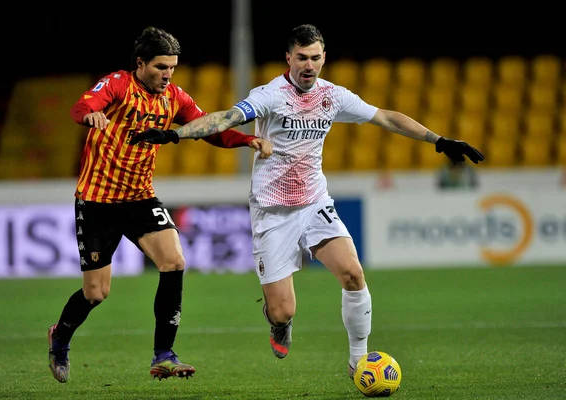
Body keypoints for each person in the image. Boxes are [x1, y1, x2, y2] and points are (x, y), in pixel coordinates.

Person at [131, 24, 484, 379]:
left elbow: (385, 117)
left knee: (353, 273)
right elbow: (226, 118)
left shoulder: (334, 96)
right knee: (283, 310)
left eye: (315, 58)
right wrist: (175, 134)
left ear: (324, 58)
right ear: (289, 58)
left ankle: (357, 362)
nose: (308, 65)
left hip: (315, 203)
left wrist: (438, 140)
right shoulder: (270, 95)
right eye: (301, 57)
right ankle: (278, 324)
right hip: (272, 211)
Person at [47, 26, 272, 384]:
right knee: (96, 293)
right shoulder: (119, 85)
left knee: (174, 261)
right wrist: (91, 115)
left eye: (172, 67)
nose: (167, 75)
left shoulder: (175, 97)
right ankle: (60, 337)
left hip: (140, 197)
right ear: (141, 63)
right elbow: (83, 106)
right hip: (98, 201)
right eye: (160, 67)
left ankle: (163, 355)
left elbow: (207, 128)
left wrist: (246, 139)